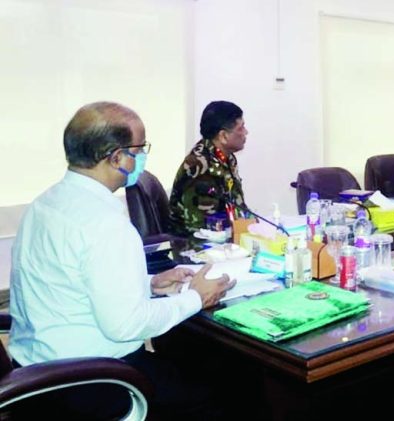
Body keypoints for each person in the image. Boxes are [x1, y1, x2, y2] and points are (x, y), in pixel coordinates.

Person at [9, 102, 236, 419]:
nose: (143, 157)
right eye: (140, 149)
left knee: (188, 363)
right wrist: (197, 297)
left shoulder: (46, 203)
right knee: (220, 395)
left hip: (33, 370)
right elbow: (127, 325)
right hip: (90, 380)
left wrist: (150, 283)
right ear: (116, 158)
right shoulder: (106, 224)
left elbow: (75, 281)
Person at [169, 101, 249, 236]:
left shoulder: (226, 158)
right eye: (241, 128)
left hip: (223, 239)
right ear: (223, 136)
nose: (246, 132)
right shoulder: (200, 167)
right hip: (193, 246)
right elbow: (202, 229)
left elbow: (238, 207)